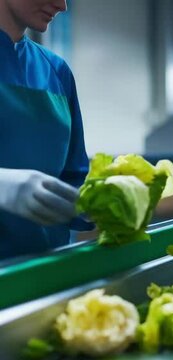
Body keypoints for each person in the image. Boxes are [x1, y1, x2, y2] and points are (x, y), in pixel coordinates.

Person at [0, 0, 90, 260]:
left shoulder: (56, 71)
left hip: (47, 272)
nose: (62, 5)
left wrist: (103, 202)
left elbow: (74, 175)